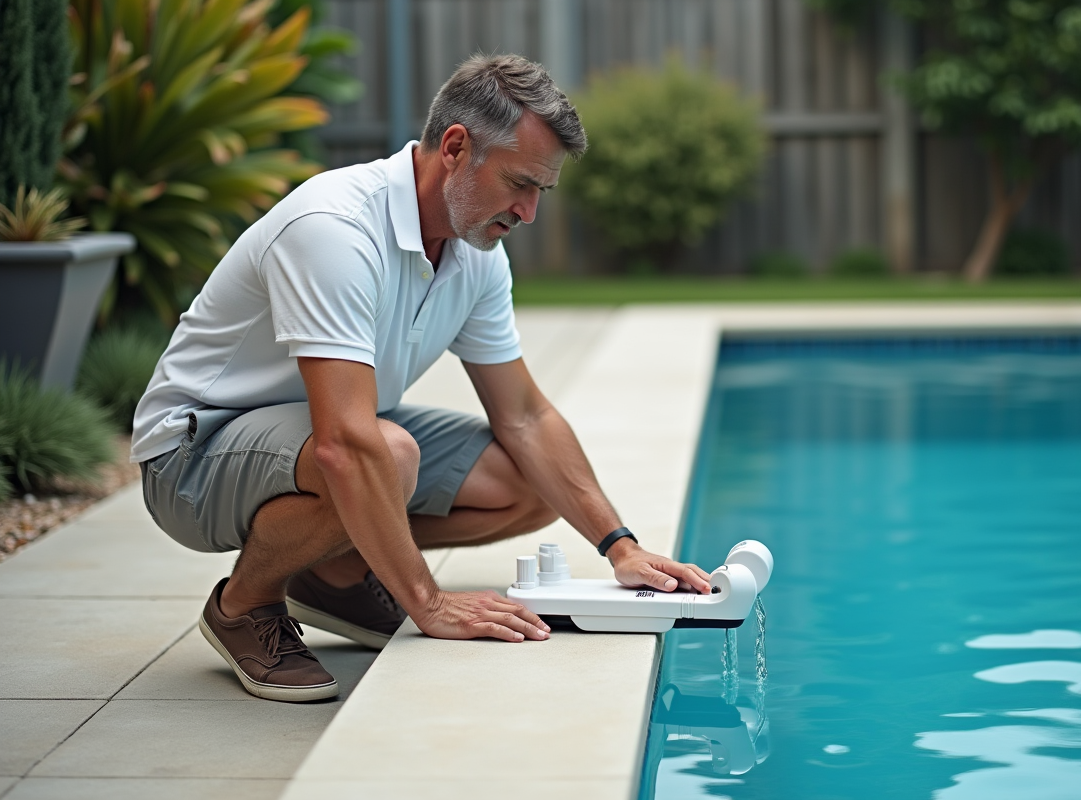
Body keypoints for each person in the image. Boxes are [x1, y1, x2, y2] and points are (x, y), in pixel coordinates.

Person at [132, 53, 711, 702]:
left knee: (528, 484)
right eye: (520, 183)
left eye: (540, 193)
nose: (528, 213)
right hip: (193, 455)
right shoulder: (335, 229)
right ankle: (243, 606)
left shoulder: (476, 251)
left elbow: (525, 416)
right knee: (384, 452)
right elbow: (345, 444)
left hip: (323, 436)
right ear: (456, 148)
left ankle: (334, 575)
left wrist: (620, 546)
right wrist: (428, 602)